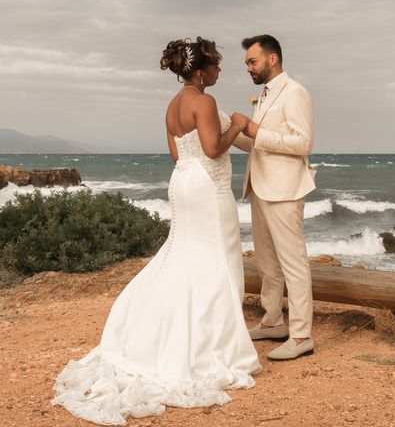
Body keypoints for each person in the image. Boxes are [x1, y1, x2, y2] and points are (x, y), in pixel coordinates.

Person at [52, 37, 262, 425]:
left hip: (182, 180)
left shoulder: (171, 107)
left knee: (183, 253)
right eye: (215, 65)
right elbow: (214, 149)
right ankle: (212, 345)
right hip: (207, 186)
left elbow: (177, 154)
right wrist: (239, 125)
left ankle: (162, 334)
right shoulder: (205, 101)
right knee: (217, 257)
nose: (219, 70)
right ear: (199, 72)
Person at [234, 34, 316, 361]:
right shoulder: (265, 96)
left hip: (284, 191)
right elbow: (260, 145)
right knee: (267, 263)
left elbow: (302, 144)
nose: (248, 68)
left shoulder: (295, 92)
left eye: (252, 62)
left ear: (272, 59)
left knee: (292, 263)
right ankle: (272, 321)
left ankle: (301, 335)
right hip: (260, 187)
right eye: (246, 64)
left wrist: (253, 130)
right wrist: (228, 130)